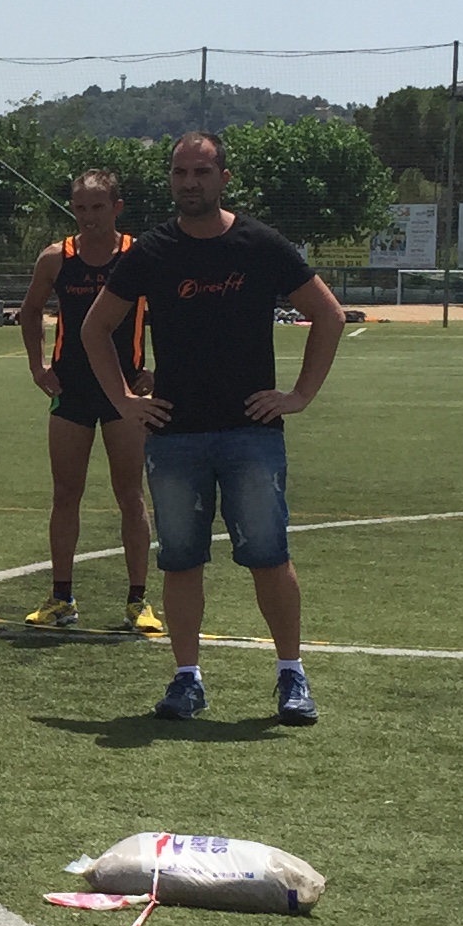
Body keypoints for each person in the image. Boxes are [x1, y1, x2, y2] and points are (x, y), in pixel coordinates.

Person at [82, 132, 345, 726]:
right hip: (175, 436)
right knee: (180, 561)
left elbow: (328, 315)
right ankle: (187, 679)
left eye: (201, 172)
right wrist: (123, 400)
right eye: (180, 172)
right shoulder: (153, 251)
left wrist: (299, 395)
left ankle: (291, 674)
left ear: (224, 178)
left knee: (269, 556)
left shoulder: (260, 243)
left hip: (251, 433)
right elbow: (95, 329)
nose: (189, 182)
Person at [19, 170, 158, 634]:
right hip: (72, 390)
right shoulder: (56, 258)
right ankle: (61, 597)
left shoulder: (138, 255)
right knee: (65, 494)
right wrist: (39, 367)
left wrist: (159, 373)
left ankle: (138, 601)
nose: (88, 216)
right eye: (80, 207)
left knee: (130, 495)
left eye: (97, 207)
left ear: (117, 207)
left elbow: (173, 315)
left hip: (124, 393)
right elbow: (31, 311)